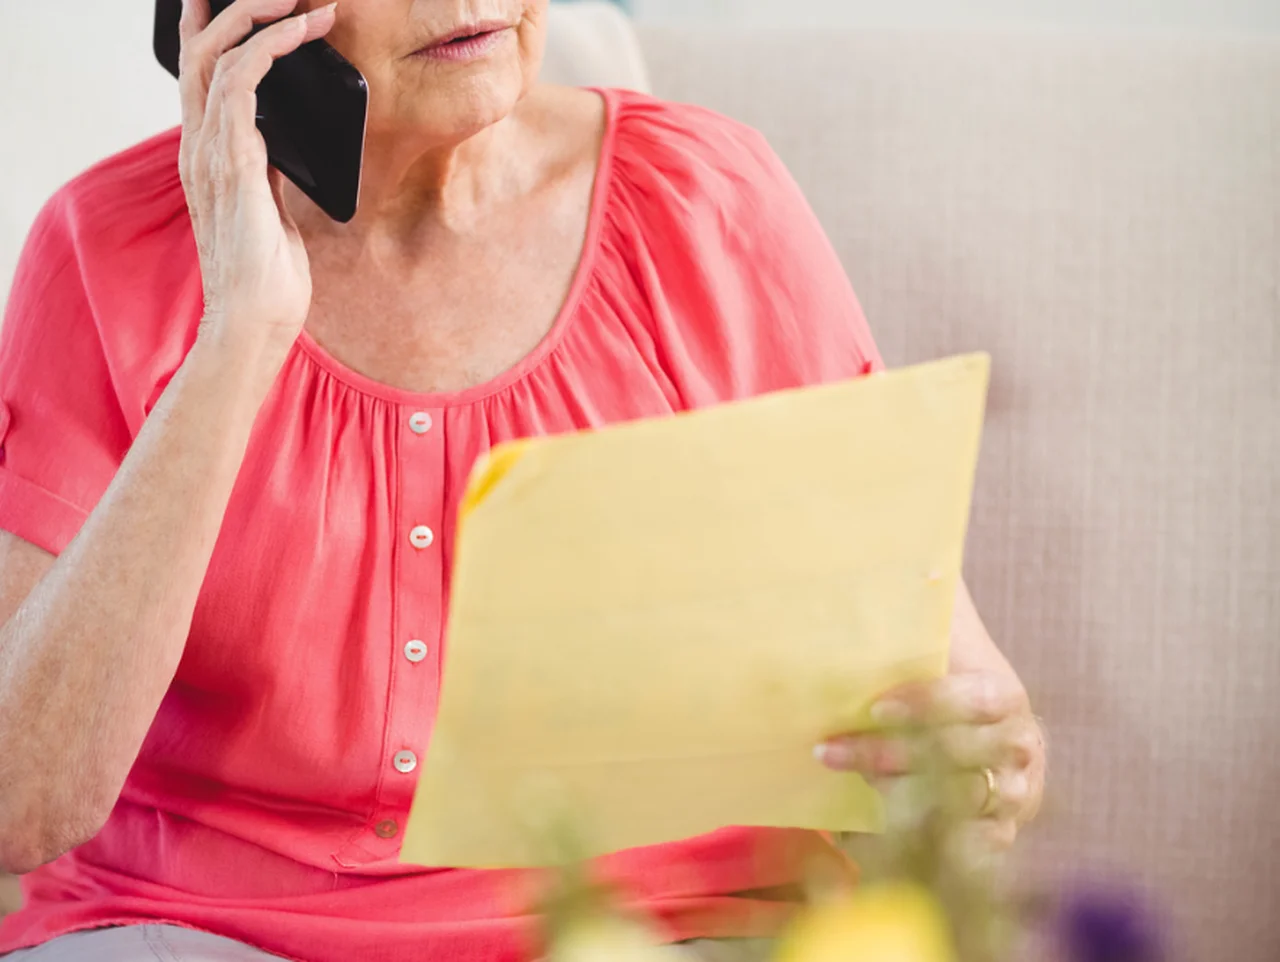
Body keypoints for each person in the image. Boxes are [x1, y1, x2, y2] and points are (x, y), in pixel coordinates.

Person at [0, 0, 1046, 959]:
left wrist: (977, 755)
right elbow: (18, 804)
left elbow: (960, 704)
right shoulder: (105, 251)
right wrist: (237, 331)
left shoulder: (706, 203)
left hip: (653, 932)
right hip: (200, 932)